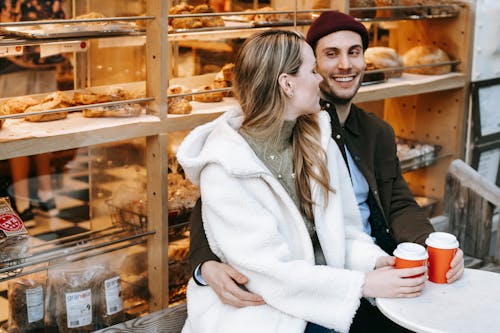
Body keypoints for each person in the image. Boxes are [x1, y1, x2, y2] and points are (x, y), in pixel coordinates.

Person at [188, 11, 465, 333]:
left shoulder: (349, 134)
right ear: (287, 82)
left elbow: (380, 211)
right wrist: (203, 263)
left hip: (344, 275)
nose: (341, 67)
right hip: (281, 299)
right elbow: (214, 213)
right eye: (326, 57)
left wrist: (414, 251)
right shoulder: (232, 158)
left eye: (355, 52)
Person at [1, 0, 65, 223]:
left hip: (45, 51)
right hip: (13, 56)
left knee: (44, 121)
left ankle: (43, 191)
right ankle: (24, 198)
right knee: (15, 126)